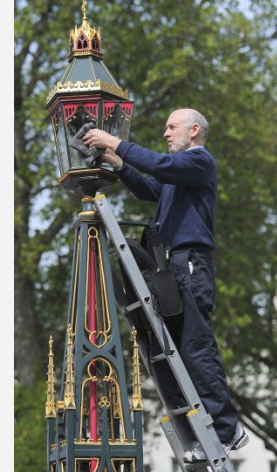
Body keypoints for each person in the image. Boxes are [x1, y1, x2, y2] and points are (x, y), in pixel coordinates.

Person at [83, 108, 249, 462]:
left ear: (193, 131)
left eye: (171, 127)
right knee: (169, 351)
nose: (165, 133)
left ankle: (225, 429)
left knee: (194, 348)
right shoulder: (178, 176)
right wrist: (119, 163)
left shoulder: (200, 161)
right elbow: (150, 187)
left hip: (190, 264)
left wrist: (116, 141)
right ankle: (199, 435)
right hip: (172, 266)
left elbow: (160, 167)